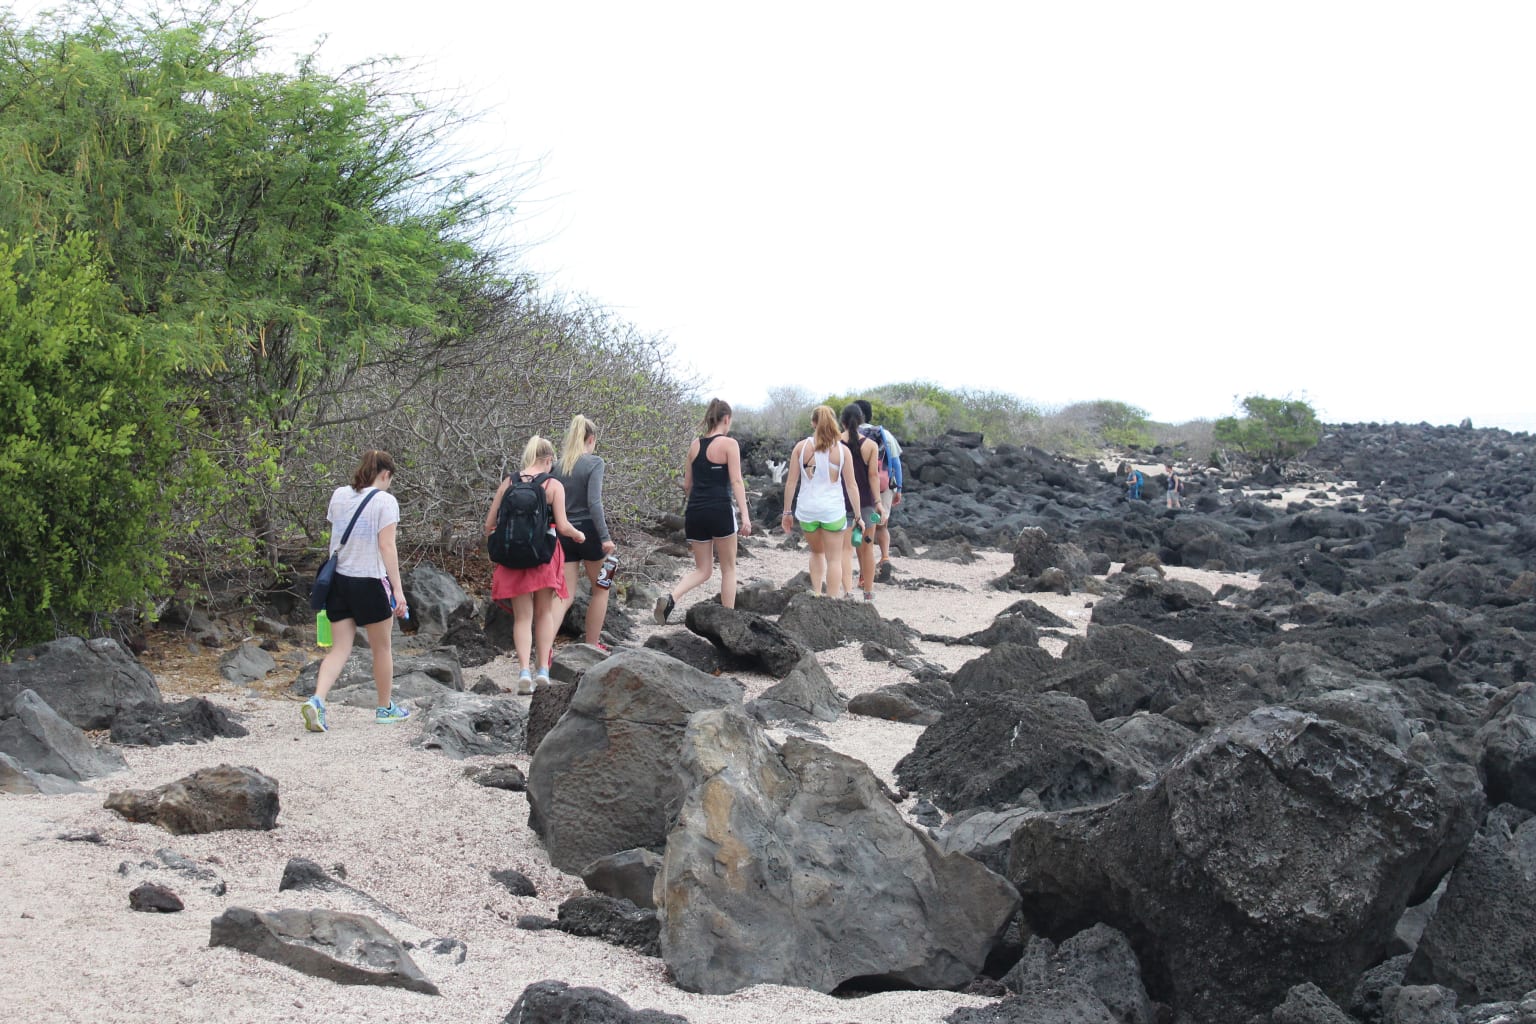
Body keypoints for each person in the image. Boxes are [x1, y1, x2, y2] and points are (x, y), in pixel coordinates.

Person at [302, 450, 411, 731]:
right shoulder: (385, 501)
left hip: (338, 580)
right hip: (369, 580)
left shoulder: (339, 495)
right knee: (382, 648)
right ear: (385, 474)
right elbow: (387, 546)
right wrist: (398, 590)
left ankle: (317, 700)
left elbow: (337, 532)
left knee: (339, 649)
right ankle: (385, 707)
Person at [485, 436, 586, 693]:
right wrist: (579, 535)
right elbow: (562, 526)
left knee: (522, 617)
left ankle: (523, 672)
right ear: (549, 459)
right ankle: (542, 669)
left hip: (513, 559)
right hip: (544, 555)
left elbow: (489, 524)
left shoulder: (509, 482)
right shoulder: (553, 485)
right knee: (544, 613)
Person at [655, 398, 752, 623]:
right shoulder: (730, 445)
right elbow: (737, 481)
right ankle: (728, 621)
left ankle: (671, 597)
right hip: (719, 510)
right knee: (728, 569)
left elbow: (687, 485)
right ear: (726, 419)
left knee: (703, 569)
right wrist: (745, 516)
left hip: (695, 512)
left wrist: (699, 504)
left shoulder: (694, 445)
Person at [782, 405, 862, 599]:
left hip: (807, 510)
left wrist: (786, 512)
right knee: (834, 559)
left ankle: (817, 593)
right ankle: (832, 601)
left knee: (816, 553)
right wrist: (858, 515)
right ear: (833, 422)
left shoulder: (801, 448)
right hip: (832, 511)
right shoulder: (843, 451)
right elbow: (851, 485)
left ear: (813, 422)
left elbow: (791, 482)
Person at [551, 415, 617, 651]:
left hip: (563, 532)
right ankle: (592, 644)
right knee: (602, 587)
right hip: (588, 532)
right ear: (591, 439)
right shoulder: (594, 463)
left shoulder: (556, 466)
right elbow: (594, 503)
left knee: (565, 594)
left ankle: (545, 644)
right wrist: (605, 537)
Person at [841, 404, 886, 601]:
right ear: (861, 421)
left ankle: (847, 592)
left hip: (841, 503)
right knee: (867, 547)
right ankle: (868, 592)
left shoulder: (835, 444)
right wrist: (878, 502)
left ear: (842, 422)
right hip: (867, 503)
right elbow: (874, 476)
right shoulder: (871, 446)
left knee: (844, 550)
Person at [854, 398, 904, 566]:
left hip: (860, 487)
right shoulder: (885, 434)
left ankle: (864, 569)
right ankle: (884, 558)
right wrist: (899, 488)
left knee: (862, 527)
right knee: (881, 524)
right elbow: (896, 463)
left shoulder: (851, 435)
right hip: (883, 486)